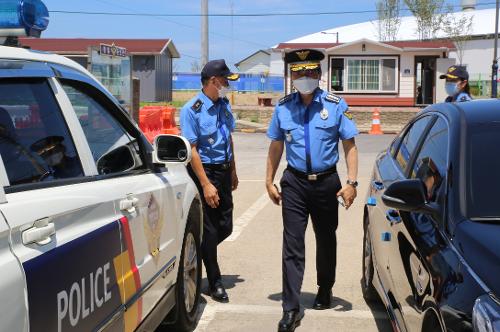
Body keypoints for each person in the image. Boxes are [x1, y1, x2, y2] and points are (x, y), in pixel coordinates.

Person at [265, 49, 359, 332]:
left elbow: (350, 146)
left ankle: (325, 287)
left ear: (318, 74)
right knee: (292, 244)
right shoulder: (282, 107)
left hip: (327, 182)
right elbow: (276, 146)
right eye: (298, 73)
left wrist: (351, 182)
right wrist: (268, 180)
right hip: (294, 183)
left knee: (326, 238)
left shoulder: (335, 104)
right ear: (291, 76)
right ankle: (291, 309)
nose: (304, 77)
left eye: (309, 72)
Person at [180, 59, 239, 303]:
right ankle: (214, 281)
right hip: (205, 172)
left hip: (224, 172)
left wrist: (233, 171)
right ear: (214, 81)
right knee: (211, 228)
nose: (228, 85)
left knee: (226, 225)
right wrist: (205, 184)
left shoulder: (223, 105)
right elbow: (192, 149)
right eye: (226, 80)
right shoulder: (191, 110)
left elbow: (229, 140)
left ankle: (204, 250)